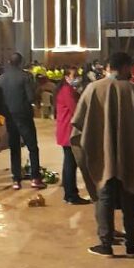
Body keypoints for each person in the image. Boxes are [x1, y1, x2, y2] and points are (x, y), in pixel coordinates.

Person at [71, 52, 134, 258]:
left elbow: (78, 126)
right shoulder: (133, 91)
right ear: (126, 67)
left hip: (102, 155)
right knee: (129, 197)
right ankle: (131, 245)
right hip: (129, 154)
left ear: (108, 66)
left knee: (105, 197)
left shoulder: (93, 89)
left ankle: (106, 244)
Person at [0, 53, 46, 191]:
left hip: (10, 117)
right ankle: (35, 178)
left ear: (9, 62)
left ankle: (16, 180)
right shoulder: (26, 77)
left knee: (14, 148)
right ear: (21, 62)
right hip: (24, 117)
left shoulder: (0, 79)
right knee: (32, 147)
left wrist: (5, 113)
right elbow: (30, 97)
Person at [55, 65, 88, 205]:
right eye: (74, 76)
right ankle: (71, 195)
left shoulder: (67, 89)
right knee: (71, 163)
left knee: (69, 162)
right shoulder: (67, 90)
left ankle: (69, 193)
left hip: (66, 130)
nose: (77, 78)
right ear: (66, 77)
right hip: (68, 130)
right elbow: (76, 109)